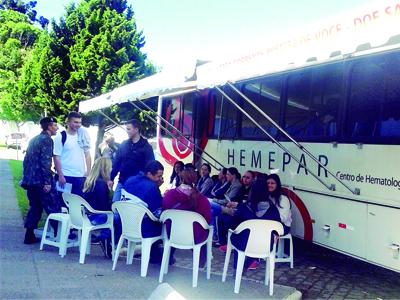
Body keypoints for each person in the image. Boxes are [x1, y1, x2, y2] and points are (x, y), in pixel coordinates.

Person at [21, 117, 60, 244]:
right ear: (49, 126)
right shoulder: (47, 140)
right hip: (41, 182)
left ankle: (29, 235)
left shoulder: (34, 139)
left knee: (35, 207)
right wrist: (47, 182)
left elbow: (26, 160)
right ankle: (60, 235)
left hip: (30, 181)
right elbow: (46, 162)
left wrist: (26, 178)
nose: (57, 128)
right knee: (53, 207)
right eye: (55, 125)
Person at [228, 178, 281, 270]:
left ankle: (237, 269)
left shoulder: (244, 207)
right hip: (266, 246)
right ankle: (246, 264)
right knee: (255, 243)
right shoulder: (273, 209)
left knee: (237, 236)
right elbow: (278, 229)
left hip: (244, 244)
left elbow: (233, 225)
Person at [163, 169, 212, 267]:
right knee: (207, 230)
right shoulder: (202, 199)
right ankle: (201, 261)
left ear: (180, 179)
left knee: (173, 225)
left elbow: (164, 214)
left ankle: (168, 257)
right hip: (195, 237)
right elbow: (207, 220)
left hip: (172, 234)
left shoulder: (169, 195)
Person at [117, 160, 164, 262]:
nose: (160, 179)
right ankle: (161, 257)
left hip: (125, 226)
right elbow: (157, 214)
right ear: (149, 174)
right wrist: (157, 188)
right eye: (159, 176)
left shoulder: (129, 180)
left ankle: (154, 256)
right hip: (142, 229)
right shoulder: (151, 188)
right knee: (164, 224)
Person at [108, 119, 155, 202]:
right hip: (122, 181)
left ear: (136, 129)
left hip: (138, 185)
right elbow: (116, 163)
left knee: (131, 209)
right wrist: (111, 178)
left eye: (129, 129)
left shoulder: (146, 147)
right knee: (115, 207)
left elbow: (151, 166)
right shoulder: (123, 144)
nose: (126, 131)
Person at [53, 111, 92, 196]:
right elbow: (56, 157)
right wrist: (60, 175)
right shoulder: (60, 136)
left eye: (80, 122)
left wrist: (88, 173)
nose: (78, 125)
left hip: (79, 177)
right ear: (68, 122)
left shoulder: (82, 134)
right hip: (65, 176)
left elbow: (88, 155)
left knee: (77, 203)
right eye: (75, 122)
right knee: (63, 204)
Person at [82, 157, 113, 257]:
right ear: (105, 169)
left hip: (86, 215)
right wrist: (110, 192)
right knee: (116, 218)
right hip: (96, 217)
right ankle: (105, 239)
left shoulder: (89, 182)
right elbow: (103, 206)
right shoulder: (101, 184)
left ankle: (104, 238)